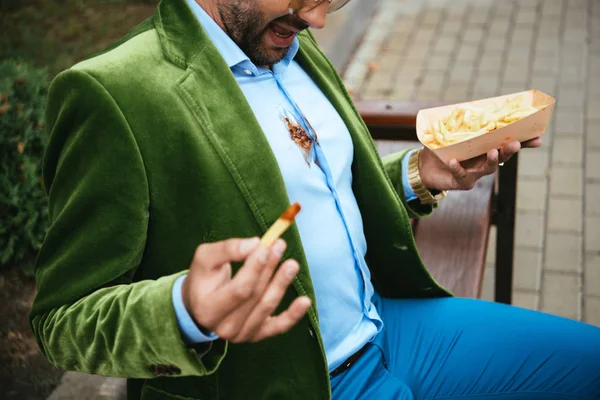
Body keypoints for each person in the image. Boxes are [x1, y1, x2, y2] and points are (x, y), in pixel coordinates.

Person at [30, 0, 600, 399]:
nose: (319, 19)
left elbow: (314, 186)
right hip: (291, 381)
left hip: (389, 328)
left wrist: (418, 174)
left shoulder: (288, 39)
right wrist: (184, 308)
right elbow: (63, 321)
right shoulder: (112, 92)